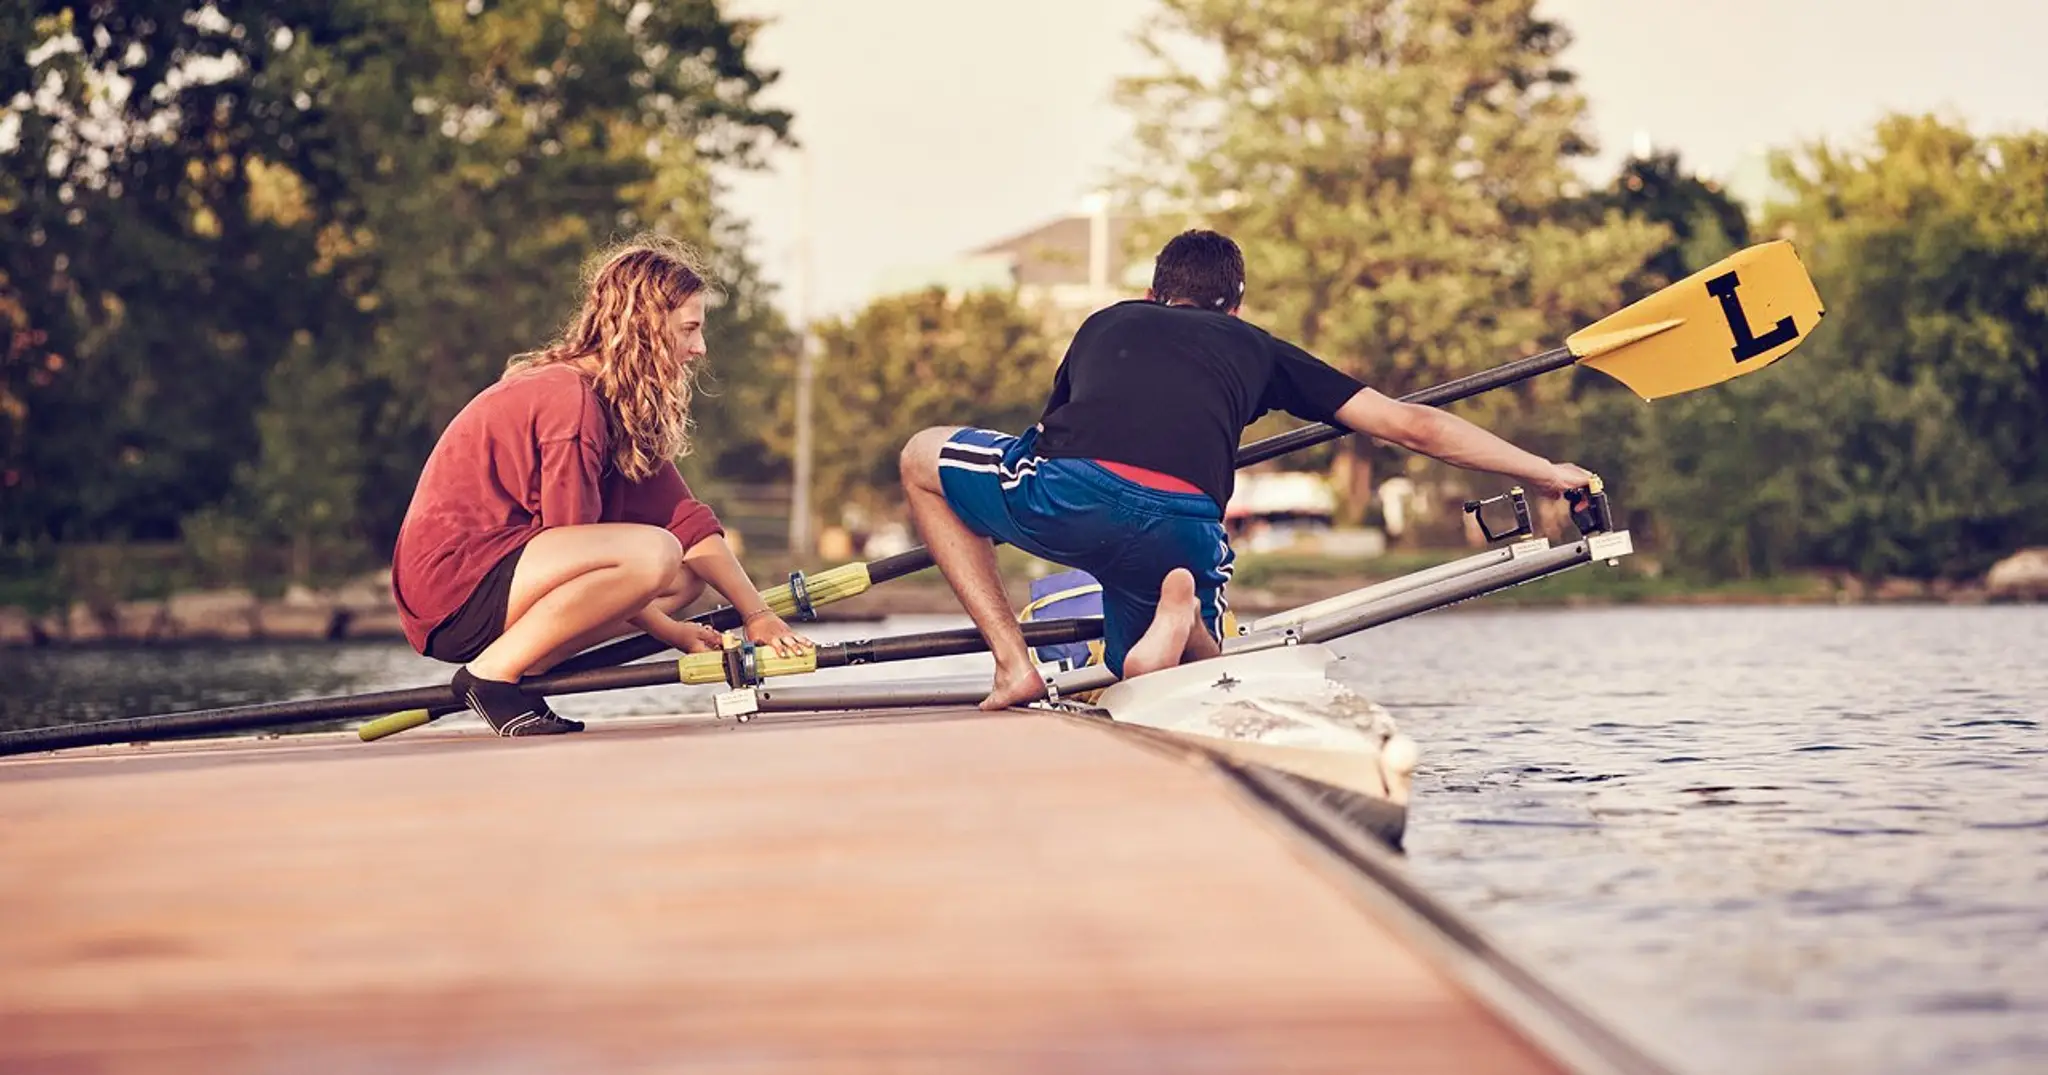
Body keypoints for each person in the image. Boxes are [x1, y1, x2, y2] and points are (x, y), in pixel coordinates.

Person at [900, 229, 1595, 711]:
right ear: (1235, 306)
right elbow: (1413, 425)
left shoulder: (1107, 322)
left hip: (1076, 497)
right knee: (1151, 669)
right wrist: (1541, 471)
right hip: (1186, 526)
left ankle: (1012, 663)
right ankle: (1184, 624)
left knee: (922, 458)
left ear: (1155, 291)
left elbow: (1051, 438)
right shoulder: (1259, 348)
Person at [391, 234, 813, 736]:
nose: (700, 348)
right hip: (453, 588)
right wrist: (671, 630)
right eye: (690, 330)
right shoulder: (568, 398)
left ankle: (524, 663)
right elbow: (580, 551)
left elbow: (689, 523)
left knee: (685, 574)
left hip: (507, 578)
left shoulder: (613, 402)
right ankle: (492, 676)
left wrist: (757, 615)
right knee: (656, 554)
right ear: (645, 326)